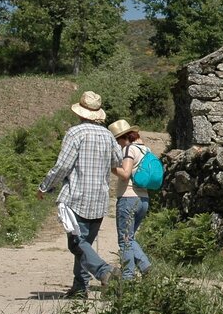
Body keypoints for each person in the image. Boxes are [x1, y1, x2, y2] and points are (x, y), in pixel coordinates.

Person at [38, 91, 123, 298]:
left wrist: (45, 187)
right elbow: (117, 161)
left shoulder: (75, 133)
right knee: (85, 245)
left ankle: (104, 271)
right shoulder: (108, 135)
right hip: (100, 198)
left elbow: (63, 166)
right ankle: (79, 287)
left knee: (77, 243)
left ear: (81, 112)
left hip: (77, 196)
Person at [108, 119, 153, 280]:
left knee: (125, 240)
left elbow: (125, 174)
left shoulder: (129, 149)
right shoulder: (145, 149)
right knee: (130, 238)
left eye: (116, 140)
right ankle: (145, 267)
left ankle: (128, 277)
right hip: (143, 199)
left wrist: (111, 167)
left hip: (128, 198)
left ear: (122, 137)